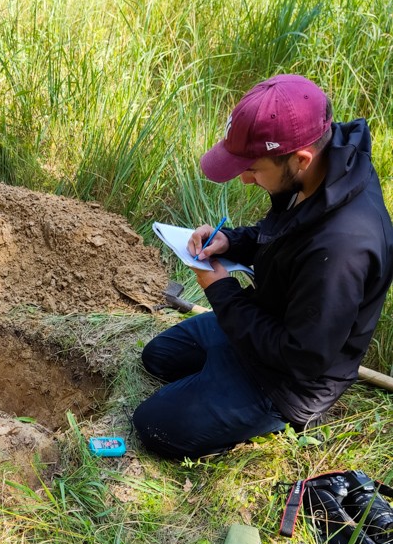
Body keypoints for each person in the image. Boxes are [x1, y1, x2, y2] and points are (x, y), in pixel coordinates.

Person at [133, 74, 393, 460]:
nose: (244, 178)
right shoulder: (321, 171)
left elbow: (302, 357)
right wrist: (232, 241)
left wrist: (220, 290)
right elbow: (287, 233)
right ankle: (216, 381)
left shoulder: (343, 250)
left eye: (253, 168)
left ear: (301, 159)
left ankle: (264, 418)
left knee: (152, 426)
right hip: (263, 320)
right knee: (158, 357)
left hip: (286, 380)